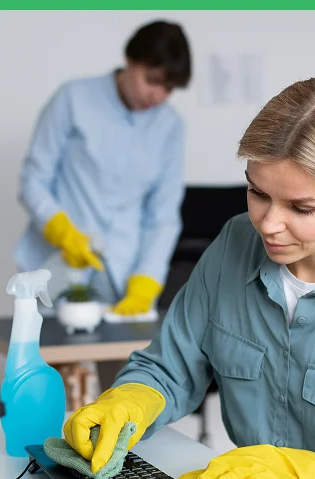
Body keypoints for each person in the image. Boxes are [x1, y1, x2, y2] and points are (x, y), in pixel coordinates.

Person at [63, 78, 315, 479]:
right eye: (258, 192)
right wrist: (131, 401)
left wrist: (304, 474)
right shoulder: (232, 245)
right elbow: (170, 368)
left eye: (302, 207)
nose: (268, 223)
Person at [14, 20, 191, 315]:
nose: (157, 95)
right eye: (151, 80)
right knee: (51, 358)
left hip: (121, 271)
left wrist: (146, 281)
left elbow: (163, 216)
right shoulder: (73, 98)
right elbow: (34, 179)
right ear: (129, 60)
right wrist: (60, 230)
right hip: (56, 264)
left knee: (125, 360)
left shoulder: (171, 127)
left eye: (168, 87)